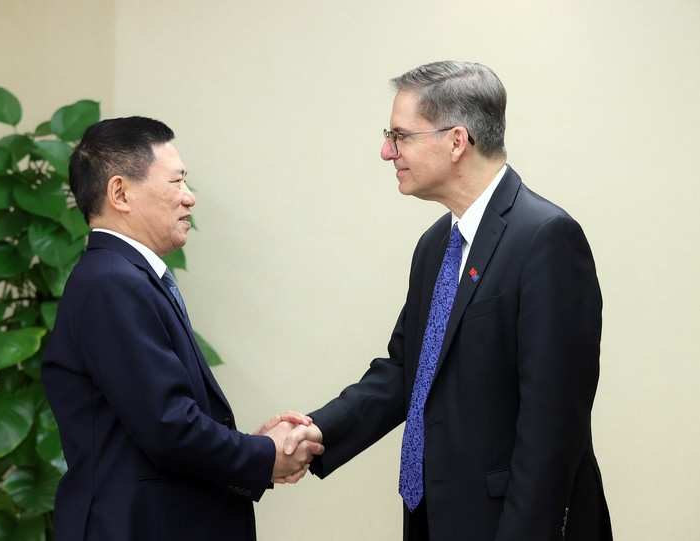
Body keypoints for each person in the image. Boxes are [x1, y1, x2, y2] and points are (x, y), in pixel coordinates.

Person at [295, 61, 613, 540]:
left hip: (512, 524)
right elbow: (407, 371)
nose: (386, 151)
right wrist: (316, 432)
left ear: (456, 141)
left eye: (399, 135)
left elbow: (553, 426)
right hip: (435, 518)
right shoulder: (436, 244)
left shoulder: (546, 238)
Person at [41, 116, 323, 541]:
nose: (189, 198)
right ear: (120, 192)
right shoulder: (112, 282)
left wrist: (243, 444)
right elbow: (169, 427)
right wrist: (264, 455)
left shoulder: (124, 277)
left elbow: (154, 422)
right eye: (177, 182)